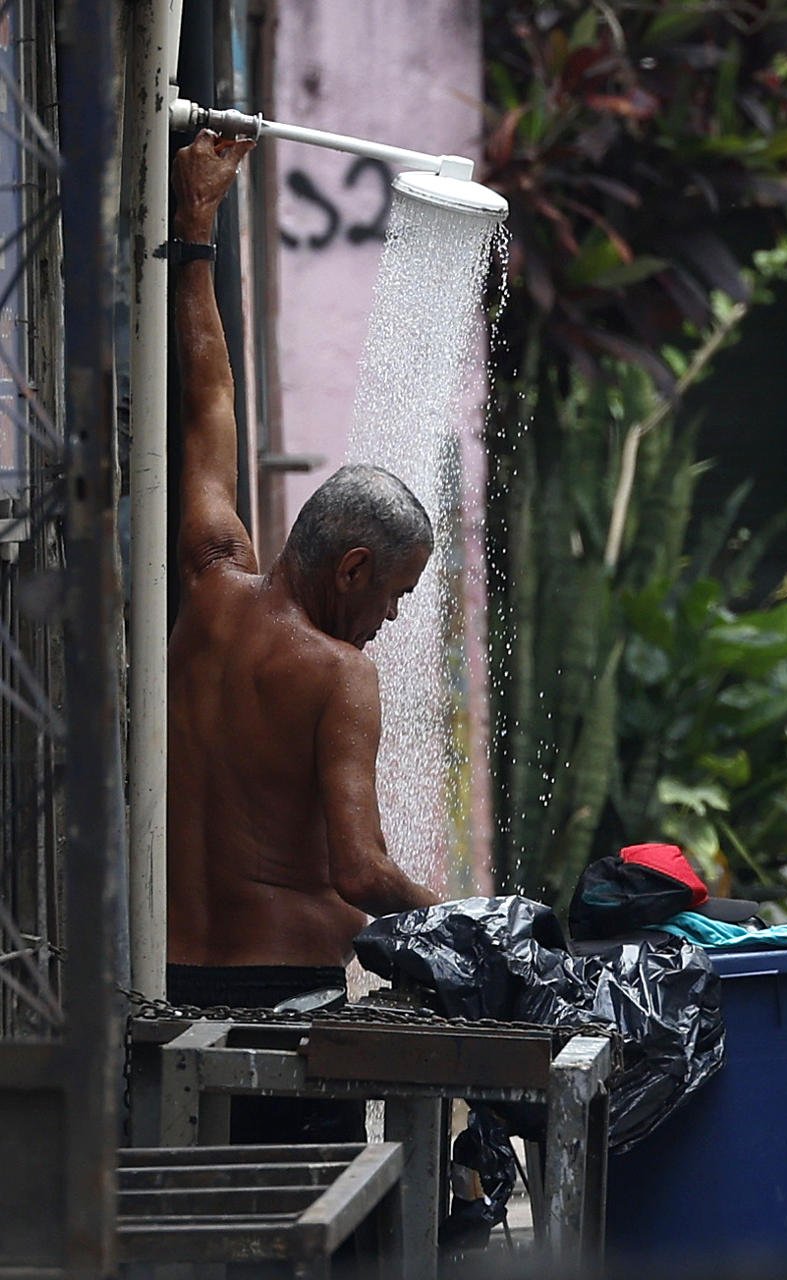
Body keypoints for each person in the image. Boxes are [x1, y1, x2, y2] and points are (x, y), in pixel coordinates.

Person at [165, 133, 438, 1136]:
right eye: (396, 591)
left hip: (169, 984)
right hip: (284, 1008)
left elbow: (207, 400)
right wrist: (451, 917)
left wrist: (194, 230)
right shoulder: (339, 674)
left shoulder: (209, 579)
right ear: (352, 568)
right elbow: (359, 873)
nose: (394, 615)